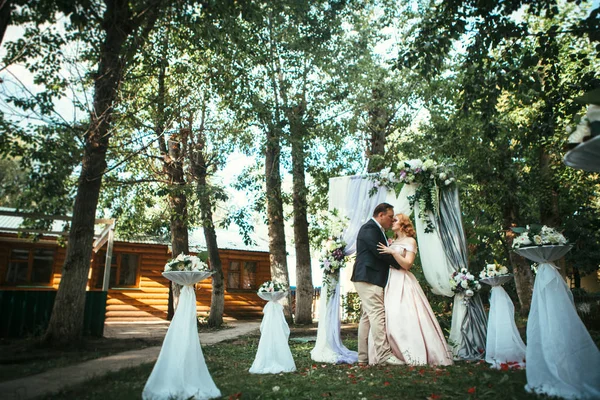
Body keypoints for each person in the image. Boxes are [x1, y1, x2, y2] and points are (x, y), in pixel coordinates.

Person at [369, 213, 453, 366]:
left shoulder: (410, 241)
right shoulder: (392, 241)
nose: (391, 222)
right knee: (387, 315)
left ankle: (410, 351)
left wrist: (393, 252)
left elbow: (407, 264)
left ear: (403, 224)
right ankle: (388, 353)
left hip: (402, 280)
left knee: (403, 314)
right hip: (388, 281)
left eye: (395, 220)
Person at [351, 203, 404, 366]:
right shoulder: (369, 229)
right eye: (390, 217)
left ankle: (363, 358)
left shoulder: (375, 230)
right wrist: (402, 264)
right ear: (380, 215)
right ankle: (383, 355)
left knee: (367, 317)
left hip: (368, 277)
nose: (392, 220)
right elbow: (381, 253)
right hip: (368, 277)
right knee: (377, 314)